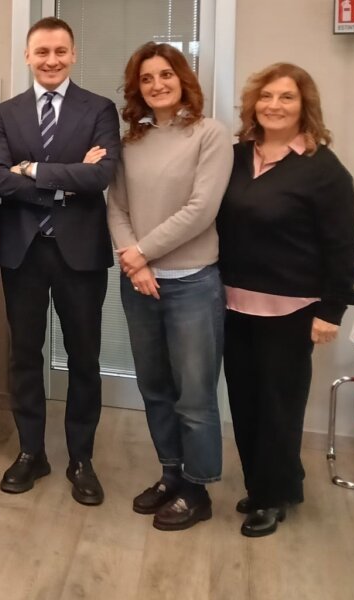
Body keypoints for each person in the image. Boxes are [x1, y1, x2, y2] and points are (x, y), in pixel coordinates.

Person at [0, 17, 120, 505]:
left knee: (84, 358)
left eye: (60, 51)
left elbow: (100, 176)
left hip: (80, 254)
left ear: (73, 54)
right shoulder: (6, 115)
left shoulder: (99, 109)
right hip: (23, 253)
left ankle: (81, 459)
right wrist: (66, 178)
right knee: (24, 356)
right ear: (27, 56)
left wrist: (32, 169)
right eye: (42, 51)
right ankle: (31, 452)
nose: (51, 60)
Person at [218, 62, 354, 537]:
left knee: (279, 406)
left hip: (292, 310)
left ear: (304, 107)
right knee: (245, 402)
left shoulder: (323, 169)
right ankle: (267, 484)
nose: (274, 105)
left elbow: (342, 245)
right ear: (253, 104)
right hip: (233, 304)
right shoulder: (236, 157)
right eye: (266, 96)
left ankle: (271, 496)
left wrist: (331, 309)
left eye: (286, 97)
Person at [106, 43, 233, 531]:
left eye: (165, 75)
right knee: (155, 388)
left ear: (183, 79)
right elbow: (116, 206)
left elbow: (202, 209)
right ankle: (171, 474)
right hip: (139, 284)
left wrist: (142, 252)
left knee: (194, 396)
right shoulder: (131, 142)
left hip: (193, 284)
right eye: (146, 79)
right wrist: (133, 260)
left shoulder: (210, 134)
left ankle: (197, 489)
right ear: (136, 89)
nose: (157, 85)